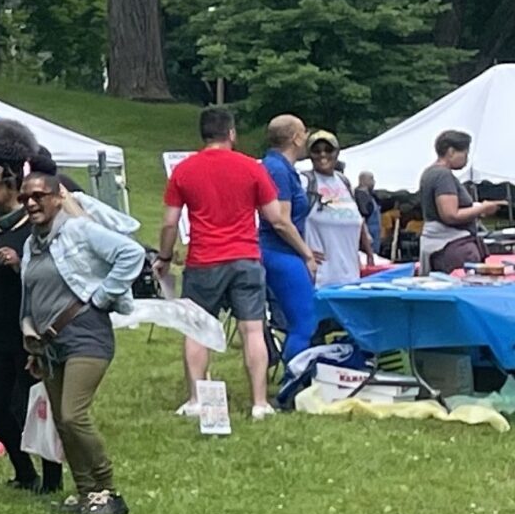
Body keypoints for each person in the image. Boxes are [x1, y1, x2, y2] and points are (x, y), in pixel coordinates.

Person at [158, 107, 305, 420]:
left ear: (203, 134)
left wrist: (165, 257)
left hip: (204, 259)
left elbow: (170, 223)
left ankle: (197, 399)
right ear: (232, 133)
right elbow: (274, 217)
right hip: (246, 257)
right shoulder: (252, 168)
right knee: (252, 329)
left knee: (197, 330)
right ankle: (260, 403)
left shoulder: (184, 170)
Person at [17, 173, 145, 514]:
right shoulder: (32, 245)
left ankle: (109, 490)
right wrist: (32, 342)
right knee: (61, 420)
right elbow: (32, 296)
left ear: (58, 198)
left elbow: (130, 253)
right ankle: (87, 492)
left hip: (87, 335)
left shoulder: (77, 230)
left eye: (39, 196)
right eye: (26, 197)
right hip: (49, 343)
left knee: (74, 415)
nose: (31, 203)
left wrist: (103, 296)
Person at [0, 141, 56, 493]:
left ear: (7, 179)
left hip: (28, 327)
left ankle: (52, 477)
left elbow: (52, 272)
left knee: (31, 405)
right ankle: (24, 470)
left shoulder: (35, 220)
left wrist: (20, 265)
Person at [256, 114, 324, 342]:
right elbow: (281, 220)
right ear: (295, 138)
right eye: (303, 132)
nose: (306, 137)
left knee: (301, 321)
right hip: (280, 252)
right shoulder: (278, 170)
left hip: (282, 251)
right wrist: (306, 254)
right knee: (304, 323)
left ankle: (298, 371)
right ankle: (296, 376)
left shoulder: (279, 167)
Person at [419, 129, 503, 274]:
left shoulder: (429, 173)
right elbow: (450, 215)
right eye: (465, 153)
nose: (466, 158)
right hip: (453, 248)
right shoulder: (442, 175)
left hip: (442, 247)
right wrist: (482, 208)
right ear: (451, 152)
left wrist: (475, 208)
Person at [303, 132, 373, 287]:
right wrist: (302, 251)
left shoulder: (344, 181)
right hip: (321, 277)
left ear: (337, 153)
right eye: (317, 150)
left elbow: (357, 218)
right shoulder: (305, 182)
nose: (323, 154)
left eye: (328, 150)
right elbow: (285, 219)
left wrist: (368, 251)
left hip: (351, 274)